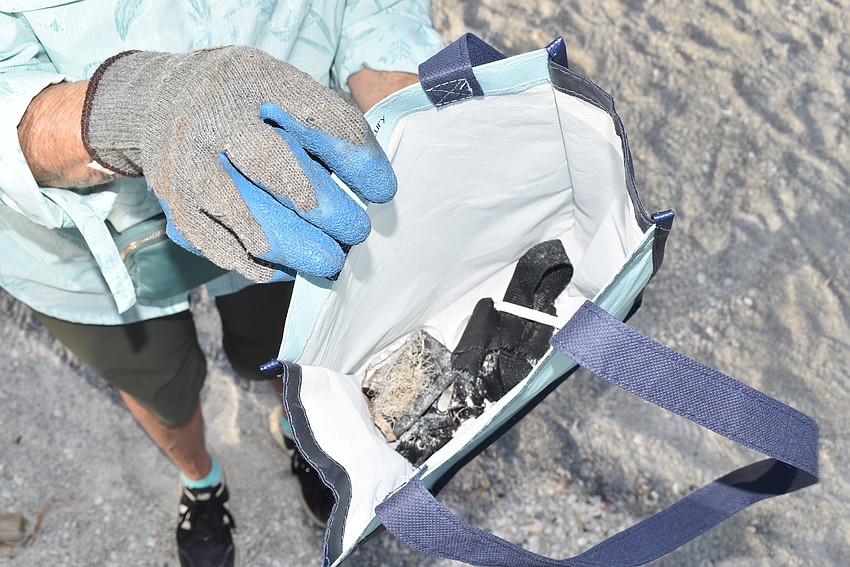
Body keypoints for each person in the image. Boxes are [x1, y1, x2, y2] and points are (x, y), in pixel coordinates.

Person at [0, 2, 443, 566]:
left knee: (285, 345)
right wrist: (129, 107)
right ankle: (201, 480)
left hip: (278, 172)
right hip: (77, 245)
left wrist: (402, 99)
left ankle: (298, 429)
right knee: (160, 382)